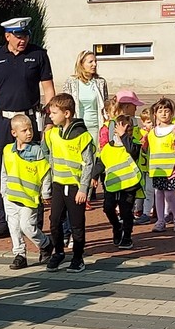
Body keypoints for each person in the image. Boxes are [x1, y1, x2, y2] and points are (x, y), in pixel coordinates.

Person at [0, 17, 55, 240]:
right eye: (19, 36)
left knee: (34, 169)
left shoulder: (38, 54)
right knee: (5, 171)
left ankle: (35, 220)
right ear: (8, 36)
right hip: (4, 122)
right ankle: (4, 222)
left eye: (26, 36)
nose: (23, 40)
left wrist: (49, 121)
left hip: (30, 119)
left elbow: (49, 90)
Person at [43, 94, 95, 273]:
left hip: (75, 188)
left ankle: (78, 257)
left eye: (54, 113)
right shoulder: (51, 134)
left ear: (66, 113)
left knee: (77, 225)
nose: (50, 116)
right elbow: (47, 157)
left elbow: (89, 164)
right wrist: (47, 186)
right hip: (58, 184)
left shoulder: (83, 136)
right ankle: (58, 253)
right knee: (54, 222)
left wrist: (83, 189)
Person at [0, 114, 52, 270]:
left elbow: (45, 172)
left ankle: (45, 243)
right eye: (24, 130)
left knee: (27, 226)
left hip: (29, 197)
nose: (29, 133)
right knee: (14, 228)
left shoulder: (37, 151)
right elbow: (4, 171)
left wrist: (45, 192)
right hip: (11, 196)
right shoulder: (8, 150)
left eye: (30, 129)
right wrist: (4, 191)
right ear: (14, 133)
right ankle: (20, 254)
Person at [92, 114, 143, 250]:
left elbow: (132, 151)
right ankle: (116, 227)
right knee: (108, 208)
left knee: (126, 212)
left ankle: (127, 237)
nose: (126, 133)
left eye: (129, 130)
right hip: (112, 185)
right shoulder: (108, 147)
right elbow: (100, 163)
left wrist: (124, 136)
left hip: (129, 185)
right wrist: (94, 177)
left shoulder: (134, 144)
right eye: (122, 130)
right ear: (114, 131)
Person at [142, 97, 175, 233]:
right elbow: (144, 148)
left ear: (171, 113)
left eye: (167, 111)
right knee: (158, 194)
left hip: (170, 169)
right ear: (155, 114)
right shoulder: (152, 132)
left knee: (170, 195)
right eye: (160, 111)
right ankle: (161, 220)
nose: (164, 114)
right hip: (156, 169)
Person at [63, 49, 108, 146]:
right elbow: (65, 106)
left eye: (95, 61)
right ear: (81, 64)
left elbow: (105, 105)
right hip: (78, 127)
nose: (94, 64)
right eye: (91, 62)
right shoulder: (71, 82)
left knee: (95, 157)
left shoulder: (100, 82)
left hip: (96, 127)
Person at [133, 107, 155, 225]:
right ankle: (140, 210)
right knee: (144, 189)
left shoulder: (155, 132)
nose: (149, 124)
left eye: (151, 121)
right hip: (143, 167)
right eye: (147, 122)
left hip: (153, 167)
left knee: (151, 190)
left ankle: (148, 212)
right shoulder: (140, 133)